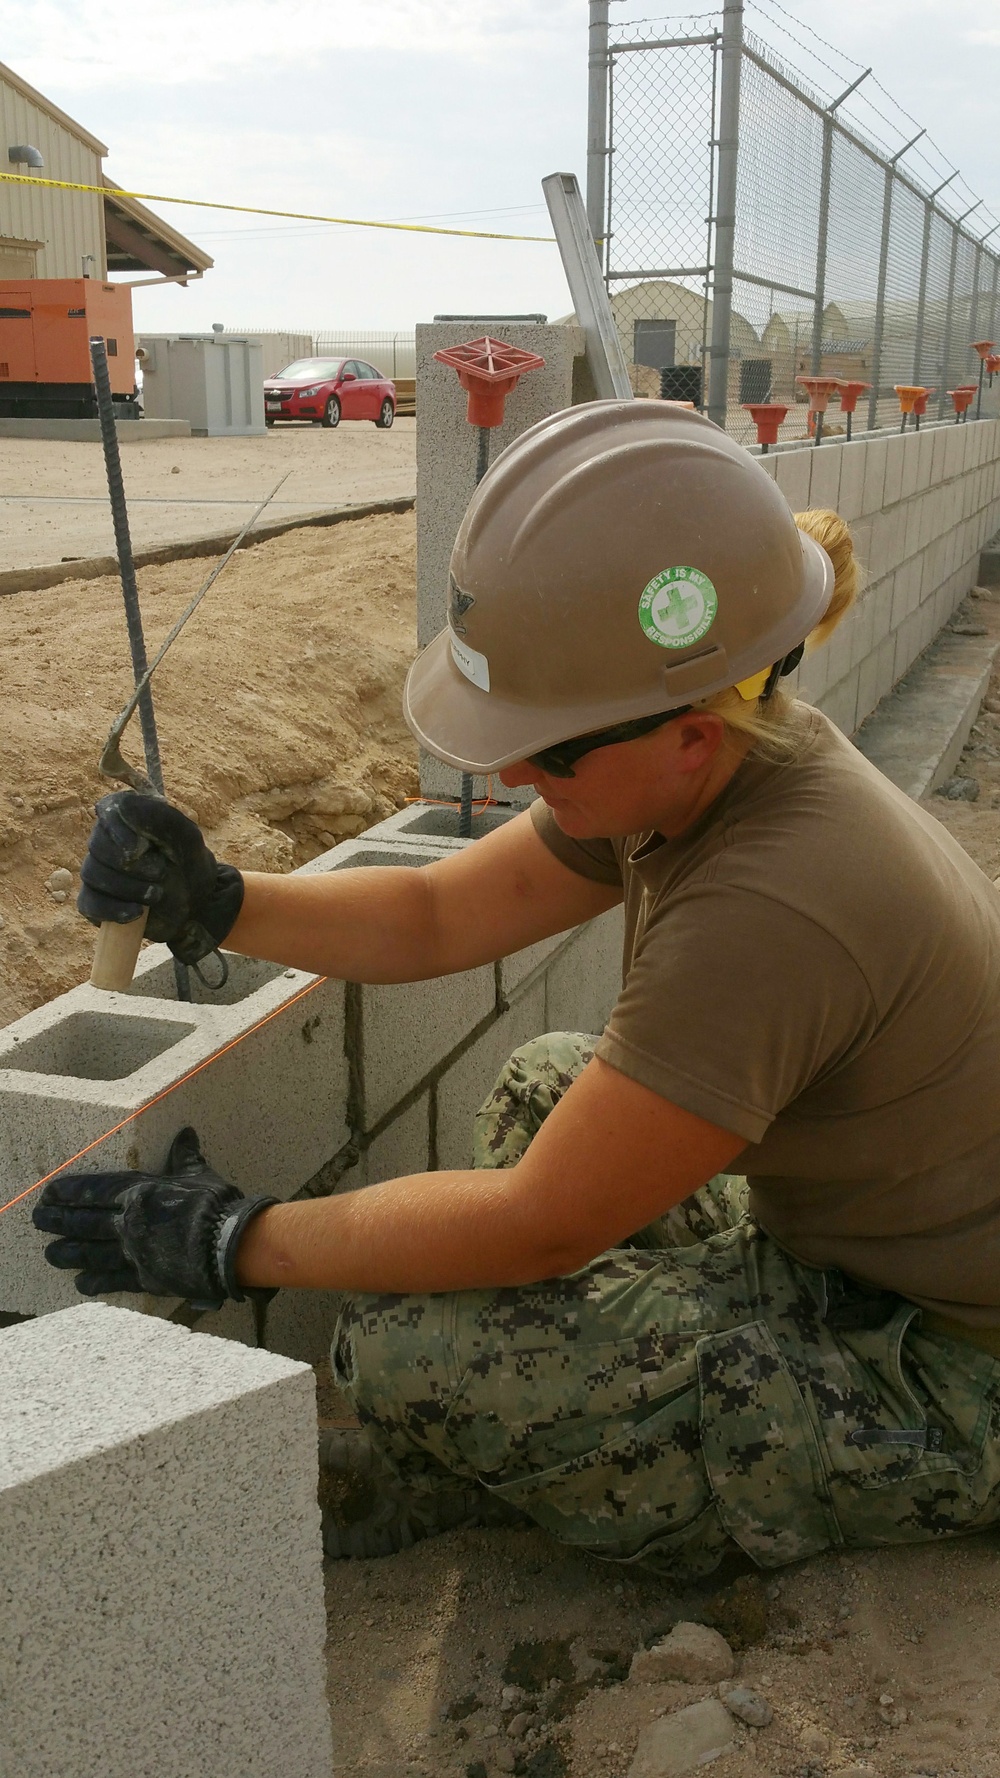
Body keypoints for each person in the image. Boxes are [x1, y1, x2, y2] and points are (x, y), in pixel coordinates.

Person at [35, 400, 1000, 1578]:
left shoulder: (774, 900)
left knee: (406, 1348)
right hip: (856, 1248)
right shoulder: (699, 761)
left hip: (953, 1366)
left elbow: (543, 1224)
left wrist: (237, 1239)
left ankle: (590, 1451)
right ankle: (493, 1449)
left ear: (688, 732)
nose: (509, 769)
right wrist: (223, 899)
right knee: (549, 1080)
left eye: (549, 747)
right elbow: (441, 911)